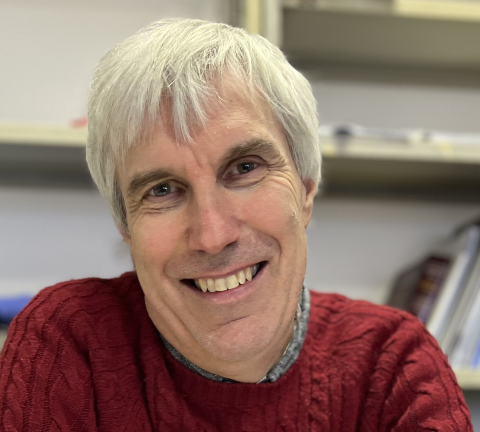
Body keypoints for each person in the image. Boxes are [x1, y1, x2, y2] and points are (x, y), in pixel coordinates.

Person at [0, 19, 472, 431]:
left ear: (306, 189)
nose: (212, 235)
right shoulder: (72, 342)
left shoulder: (391, 364)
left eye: (245, 168)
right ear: (126, 227)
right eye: (162, 190)